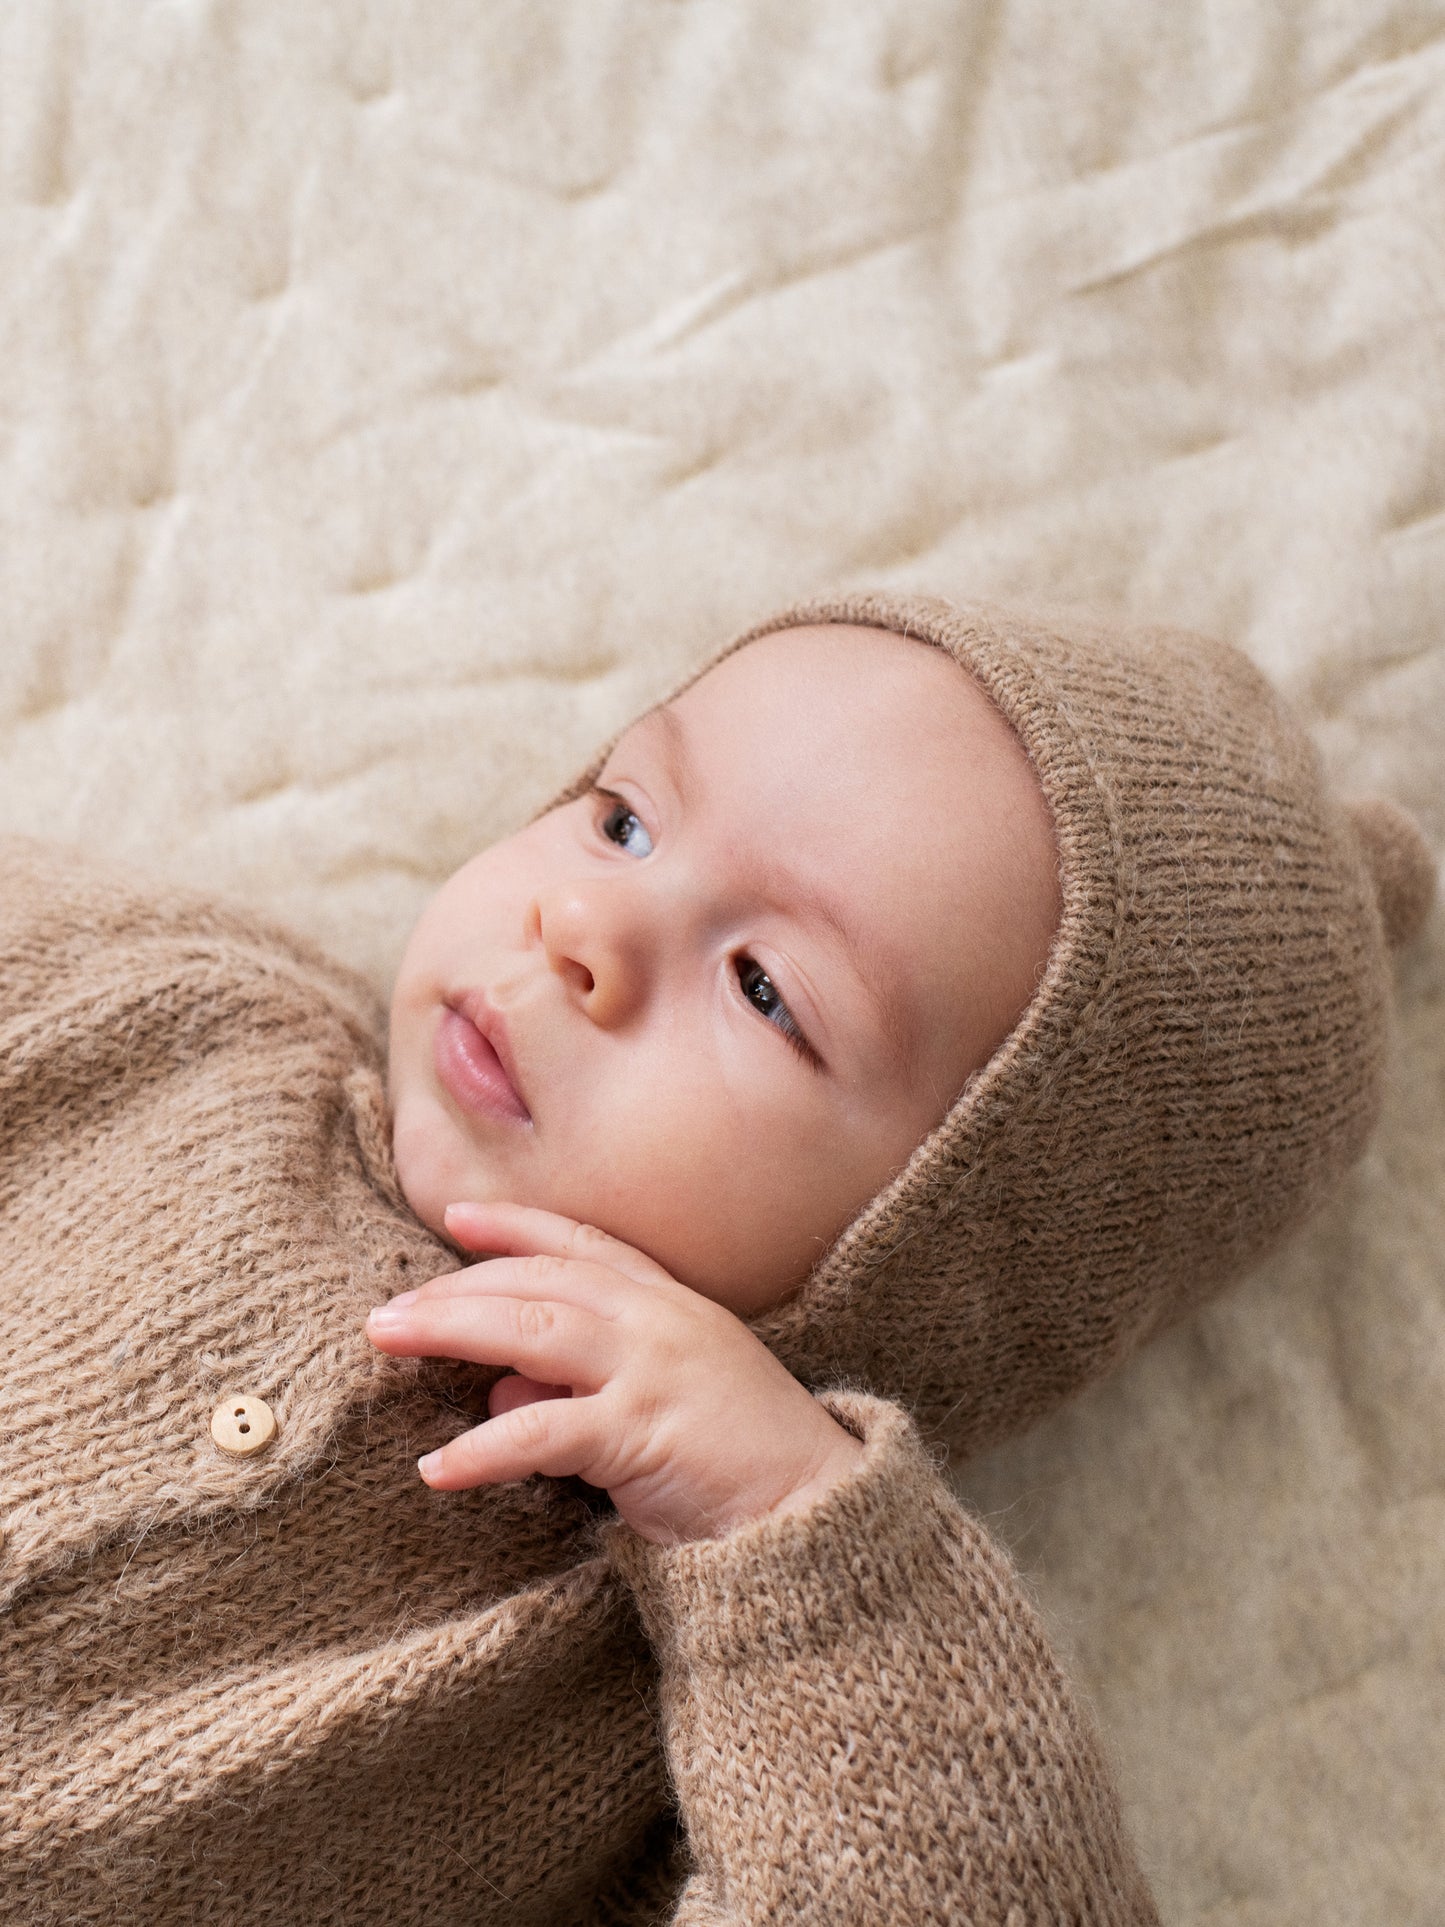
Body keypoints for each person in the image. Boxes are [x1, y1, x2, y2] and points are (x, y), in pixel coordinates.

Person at [0, 591, 1432, 1925]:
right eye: (622, 820)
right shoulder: (181, 1019)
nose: (586, 930)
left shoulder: (693, 1694)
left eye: (761, 990)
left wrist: (798, 1542)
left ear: (931, 1260)